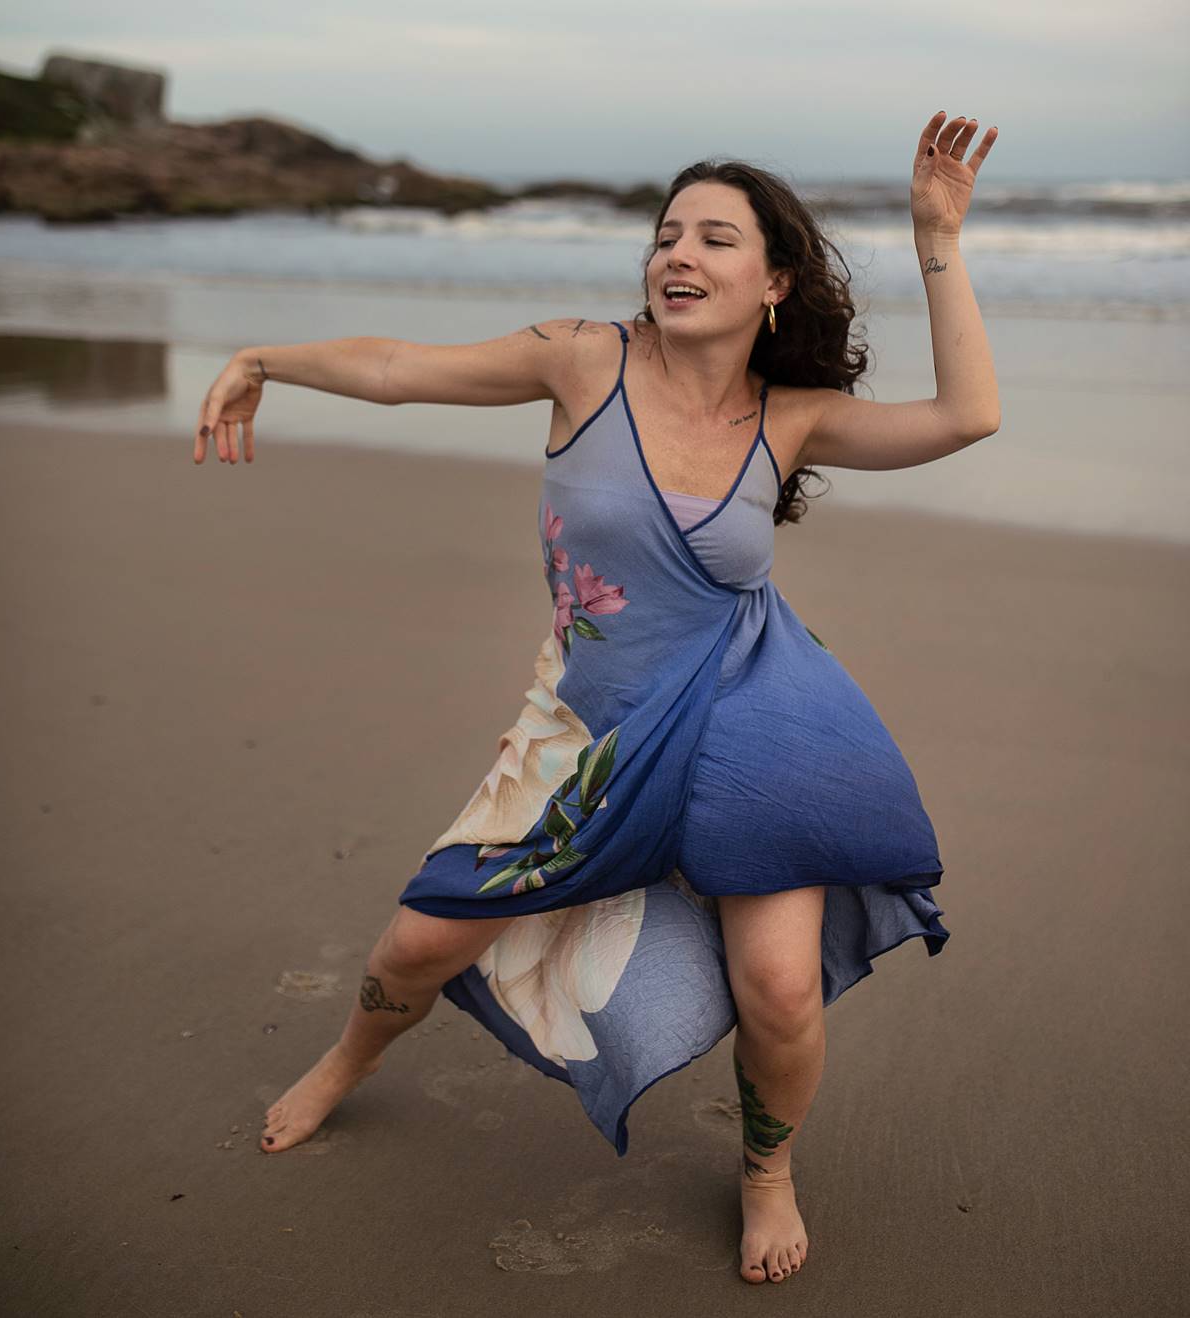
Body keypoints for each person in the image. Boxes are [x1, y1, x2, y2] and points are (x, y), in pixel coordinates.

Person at [193, 111, 999, 1286]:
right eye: (666, 233)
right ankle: (349, 1059)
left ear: (774, 280)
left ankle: (768, 1169)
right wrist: (266, 357)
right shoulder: (584, 357)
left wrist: (938, 236)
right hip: (589, 726)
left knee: (777, 986)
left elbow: (966, 415)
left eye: (716, 239)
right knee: (421, 938)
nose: (677, 254)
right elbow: (399, 370)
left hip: (752, 712)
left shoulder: (792, 416)